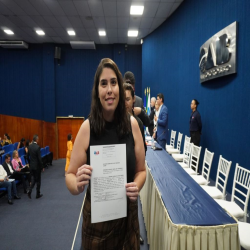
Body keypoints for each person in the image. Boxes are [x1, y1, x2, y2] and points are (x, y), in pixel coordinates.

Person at [66, 58, 146, 249]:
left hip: (127, 217)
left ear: (119, 87)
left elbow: (142, 170)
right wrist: (76, 185)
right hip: (97, 223)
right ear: (97, 91)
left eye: (113, 82)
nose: (109, 89)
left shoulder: (133, 125)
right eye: (103, 84)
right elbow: (69, 174)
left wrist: (137, 185)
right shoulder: (87, 128)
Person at [124, 83, 147, 153]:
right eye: (122, 100)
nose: (124, 103)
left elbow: (143, 150)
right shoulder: (114, 122)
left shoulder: (138, 123)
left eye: (127, 99)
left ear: (133, 99)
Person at [27, 135, 43, 199]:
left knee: (33, 179)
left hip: (31, 166)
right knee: (38, 180)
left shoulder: (29, 147)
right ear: (36, 140)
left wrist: (29, 163)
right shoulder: (37, 147)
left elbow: (27, 156)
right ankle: (37, 194)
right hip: (37, 167)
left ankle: (30, 190)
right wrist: (42, 166)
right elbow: (39, 159)